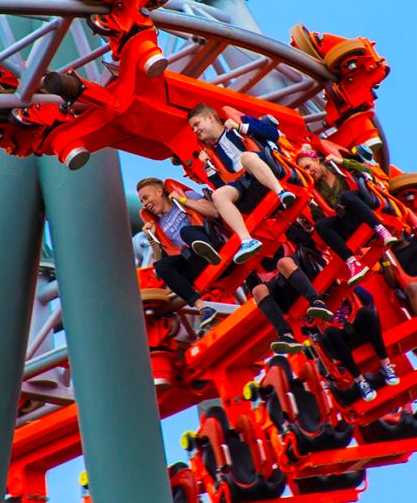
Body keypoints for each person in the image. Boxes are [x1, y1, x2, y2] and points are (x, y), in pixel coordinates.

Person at [186, 104, 298, 265]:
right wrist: (209, 167)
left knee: (246, 158)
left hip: (266, 166)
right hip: (246, 185)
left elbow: (272, 133)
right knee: (219, 195)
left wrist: (241, 127)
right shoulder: (212, 152)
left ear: (210, 118)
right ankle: (247, 240)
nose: (195, 130)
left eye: (197, 124)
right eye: (192, 128)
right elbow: (220, 185)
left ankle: (281, 193)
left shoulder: (238, 122)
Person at [296, 147, 398, 283]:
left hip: (363, 206)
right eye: (305, 172)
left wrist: (342, 162)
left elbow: (367, 171)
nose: (309, 172)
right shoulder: (317, 191)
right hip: (348, 220)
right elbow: (319, 218)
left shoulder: (339, 169)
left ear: (317, 160)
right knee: (322, 225)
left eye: (308, 167)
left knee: (346, 196)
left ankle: (381, 230)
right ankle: (353, 263)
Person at [137, 177, 222, 332]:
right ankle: (202, 308)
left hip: (211, 241)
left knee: (186, 232)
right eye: (142, 202)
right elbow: (160, 265)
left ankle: (209, 252)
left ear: (159, 191)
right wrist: (152, 240)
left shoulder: (185, 196)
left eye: (145, 198)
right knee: (162, 266)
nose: (144, 204)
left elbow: (214, 212)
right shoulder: (159, 225)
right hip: (194, 260)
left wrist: (183, 200)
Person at [242, 237, 334, 354]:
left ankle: (317, 302)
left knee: (283, 263)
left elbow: (307, 240)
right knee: (258, 290)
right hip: (284, 293)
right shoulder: (249, 268)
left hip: (302, 269)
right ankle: (286, 335)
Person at [315, 286, 398, 402]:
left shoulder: (340, 287)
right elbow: (307, 329)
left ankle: (386, 365)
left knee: (365, 312)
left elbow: (368, 298)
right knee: (330, 332)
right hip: (339, 339)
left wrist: (350, 286)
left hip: (356, 327)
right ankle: (360, 381)